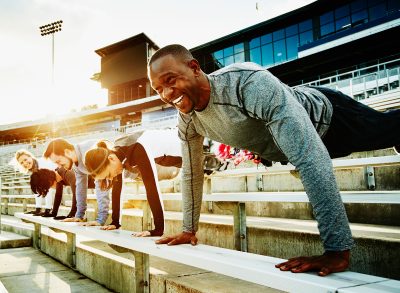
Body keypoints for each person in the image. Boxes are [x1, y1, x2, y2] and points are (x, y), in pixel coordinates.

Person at [147, 44, 400, 276]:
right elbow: (192, 173)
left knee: (388, 128)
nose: (167, 94)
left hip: (330, 120)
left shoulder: (246, 84)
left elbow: (310, 156)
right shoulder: (188, 119)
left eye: (170, 80)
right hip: (290, 145)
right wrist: (189, 229)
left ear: (194, 68)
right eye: (158, 89)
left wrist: (337, 251)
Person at [84, 128, 182, 236]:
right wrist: (115, 222)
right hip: (182, 161)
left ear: (111, 159)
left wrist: (158, 229)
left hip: (190, 146)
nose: (111, 178)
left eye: (108, 175)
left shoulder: (137, 148)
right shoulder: (118, 154)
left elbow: (152, 188)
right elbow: (117, 191)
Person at [43, 138, 113, 227]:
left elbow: (101, 183)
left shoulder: (88, 151)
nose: (59, 166)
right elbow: (80, 187)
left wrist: (101, 219)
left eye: (59, 161)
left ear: (67, 152)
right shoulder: (74, 162)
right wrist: (79, 216)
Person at [14, 149, 56, 216]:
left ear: (30, 156)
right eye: (21, 163)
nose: (24, 163)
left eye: (25, 159)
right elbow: (37, 190)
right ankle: (39, 209)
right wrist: (38, 209)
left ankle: (48, 208)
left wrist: (48, 210)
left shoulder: (42, 164)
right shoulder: (32, 170)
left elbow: (48, 188)